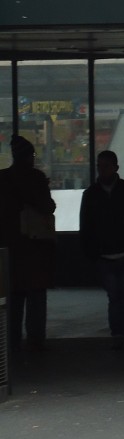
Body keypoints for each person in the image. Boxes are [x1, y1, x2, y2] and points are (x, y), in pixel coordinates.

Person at [80, 149, 124, 349]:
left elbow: (87, 226)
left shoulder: (91, 194)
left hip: (108, 254)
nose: (102, 170)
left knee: (117, 298)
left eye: (105, 166)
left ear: (114, 167)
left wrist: (91, 252)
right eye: (101, 166)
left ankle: (120, 334)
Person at [0, 135, 57, 351]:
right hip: (35, 248)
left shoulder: (3, 179)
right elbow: (48, 207)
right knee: (36, 297)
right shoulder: (36, 178)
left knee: (13, 298)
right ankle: (35, 340)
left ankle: (11, 340)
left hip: (9, 249)